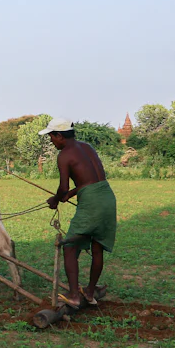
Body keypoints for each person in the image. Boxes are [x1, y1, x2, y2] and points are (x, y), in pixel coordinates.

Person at [40, 117, 116, 309]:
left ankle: (74, 295)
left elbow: (63, 187)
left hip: (91, 202)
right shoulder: (87, 147)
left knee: (70, 247)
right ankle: (89, 292)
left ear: (60, 136)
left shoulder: (64, 155)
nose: (51, 140)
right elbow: (92, 179)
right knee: (97, 248)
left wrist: (56, 199)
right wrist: (72, 194)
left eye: (51, 136)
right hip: (107, 196)